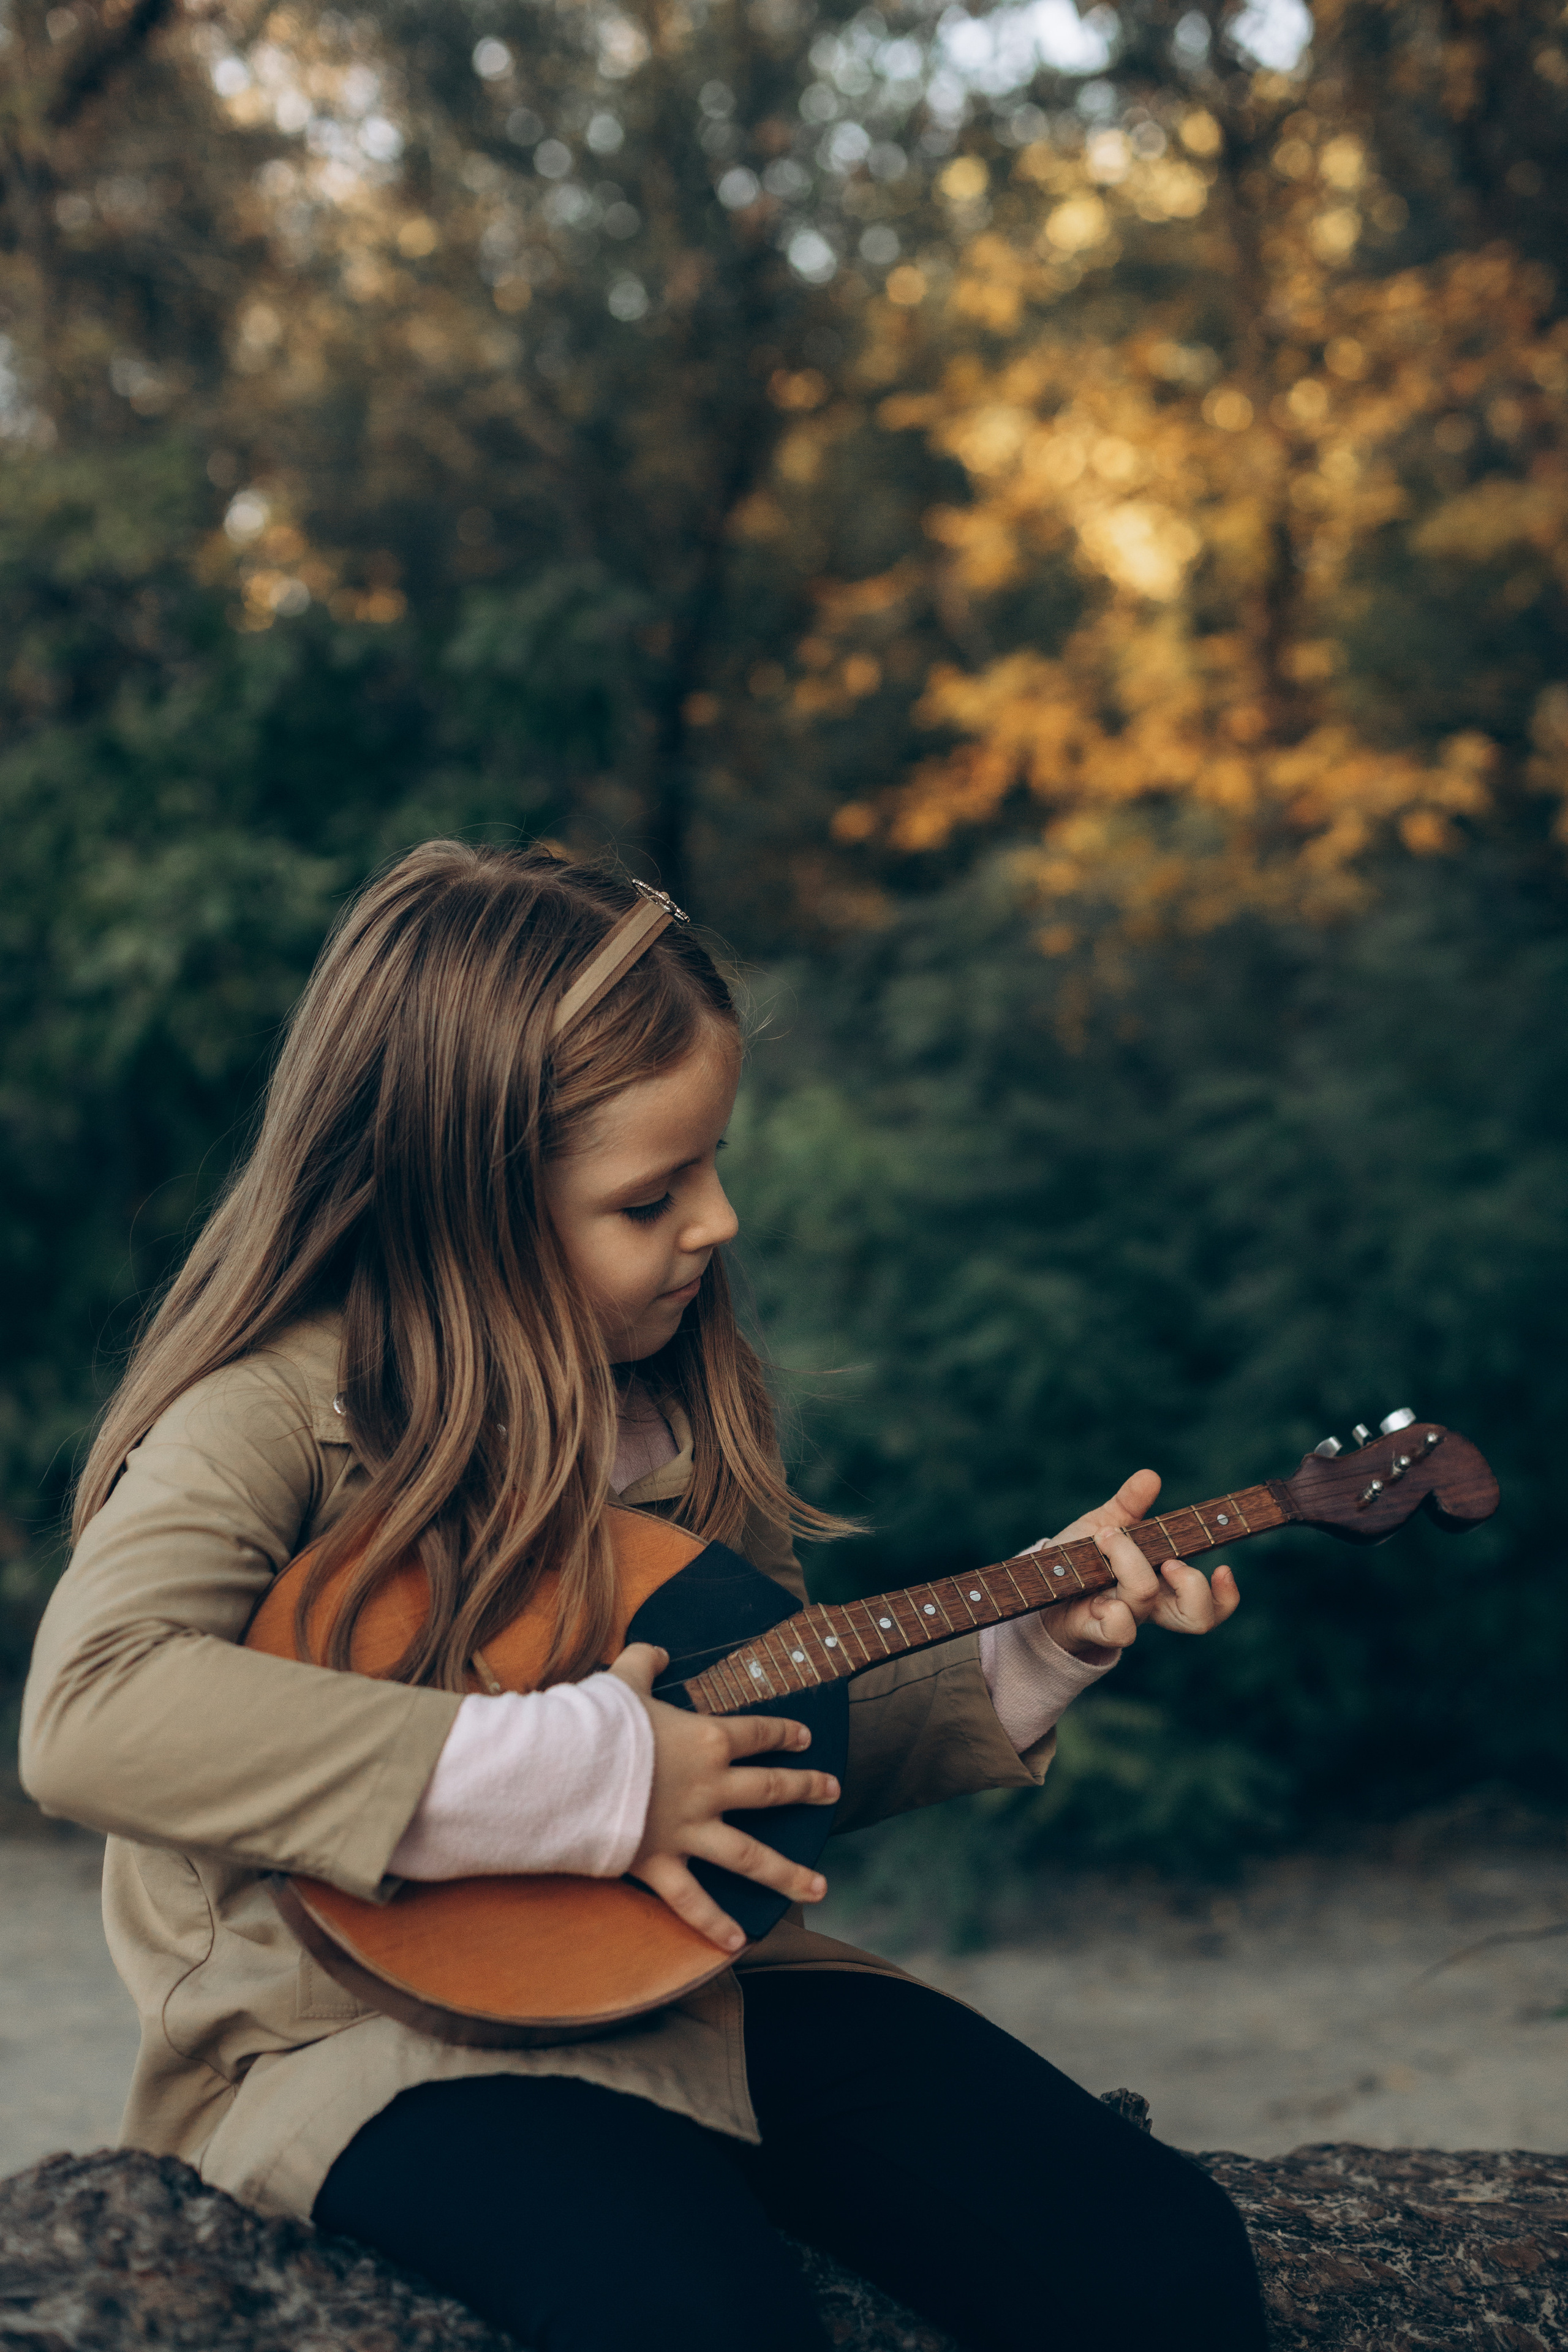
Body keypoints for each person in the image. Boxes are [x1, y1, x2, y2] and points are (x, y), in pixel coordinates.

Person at [20, 841, 1267, 2352]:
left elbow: (745, 1765)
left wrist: (1008, 1661)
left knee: (1150, 2257)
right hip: (366, 2040)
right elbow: (92, 1713)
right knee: (680, 2309)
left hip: (702, 1998)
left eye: (715, 1164)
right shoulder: (272, 1415)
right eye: (649, 1195)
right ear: (459, 1207)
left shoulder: (672, 1407)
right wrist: (584, 1774)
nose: (717, 1220)